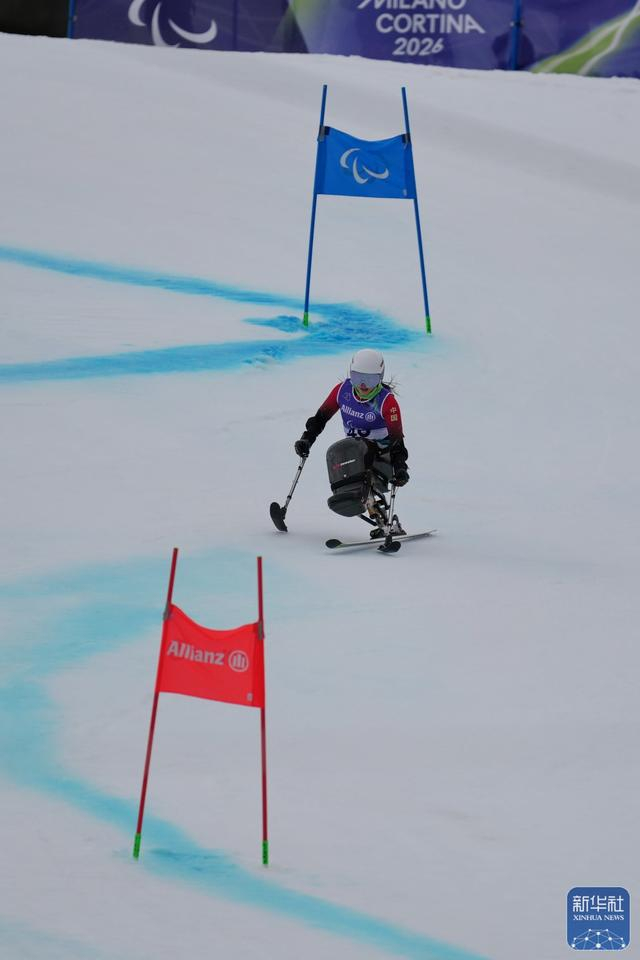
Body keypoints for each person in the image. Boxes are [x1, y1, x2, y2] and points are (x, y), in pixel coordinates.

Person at [294, 348, 409, 487]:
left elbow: (397, 442)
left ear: (380, 377)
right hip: (354, 452)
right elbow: (320, 419)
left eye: (370, 380)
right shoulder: (342, 391)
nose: (363, 385)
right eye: (357, 377)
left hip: (381, 455)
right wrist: (307, 439)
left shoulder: (387, 402)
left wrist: (400, 467)